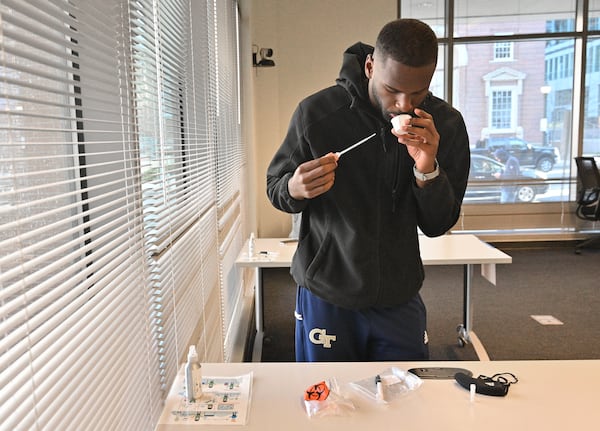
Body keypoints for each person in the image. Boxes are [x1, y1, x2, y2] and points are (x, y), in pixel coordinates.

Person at [266, 18, 470, 362]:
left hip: (399, 293)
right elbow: (276, 187)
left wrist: (427, 169)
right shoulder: (317, 113)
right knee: (326, 403)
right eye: (392, 89)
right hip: (328, 291)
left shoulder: (444, 125)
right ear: (370, 66)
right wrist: (295, 187)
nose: (404, 104)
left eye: (417, 92)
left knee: (406, 401)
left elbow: (437, 225)